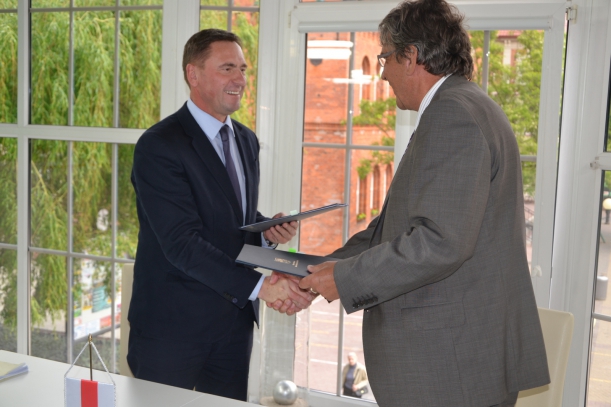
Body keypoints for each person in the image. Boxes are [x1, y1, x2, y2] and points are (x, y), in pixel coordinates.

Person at [299, 1, 550, 406]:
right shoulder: (465, 104)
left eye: (385, 58)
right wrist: (319, 271)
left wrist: (344, 279)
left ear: (411, 56)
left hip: (450, 369)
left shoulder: (453, 115)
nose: (382, 72)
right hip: (458, 360)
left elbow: (439, 242)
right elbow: (393, 229)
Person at [128, 29, 314, 401]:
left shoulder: (246, 140)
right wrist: (263, 287)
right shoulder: (159, 146)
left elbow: (228, 219)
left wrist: (265, 232)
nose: (240, 80)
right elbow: (182, 243)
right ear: (193, 74)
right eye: (227, 68)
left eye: (243, 69)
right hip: (171, 332)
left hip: (233, 328)